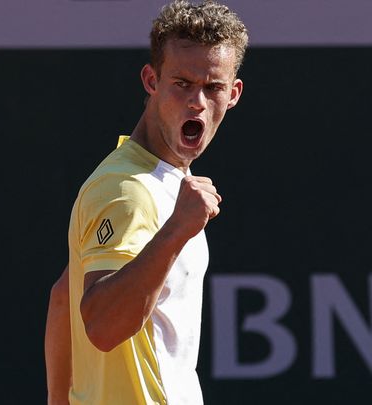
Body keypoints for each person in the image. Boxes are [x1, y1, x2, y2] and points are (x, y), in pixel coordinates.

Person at [45, 1, 248, 403]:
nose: (198, 103)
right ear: (151, 80)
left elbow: (63, 296)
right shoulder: (129, 190)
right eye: (182, 84)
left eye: (213, 88)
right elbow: (102, 326)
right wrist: (176, 231)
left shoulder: (145, 177)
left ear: (234, 93)